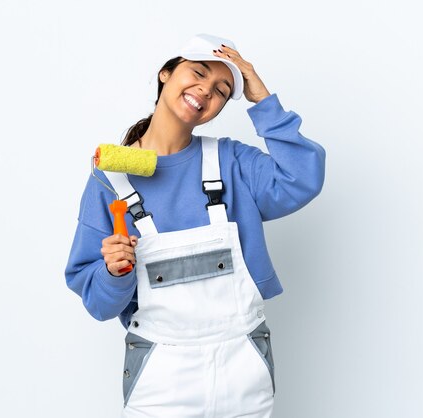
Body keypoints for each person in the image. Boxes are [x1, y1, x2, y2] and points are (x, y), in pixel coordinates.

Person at [65, 33, 326, 417]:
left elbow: (303, 178)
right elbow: (100, 306)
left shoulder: (232, 163)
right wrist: (113, 271)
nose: (205, 91)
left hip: (244, 370)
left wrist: (263, 101)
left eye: (221, 90)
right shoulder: (111, 180)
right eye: (198, 73)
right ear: (165, 74)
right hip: (160, 377)